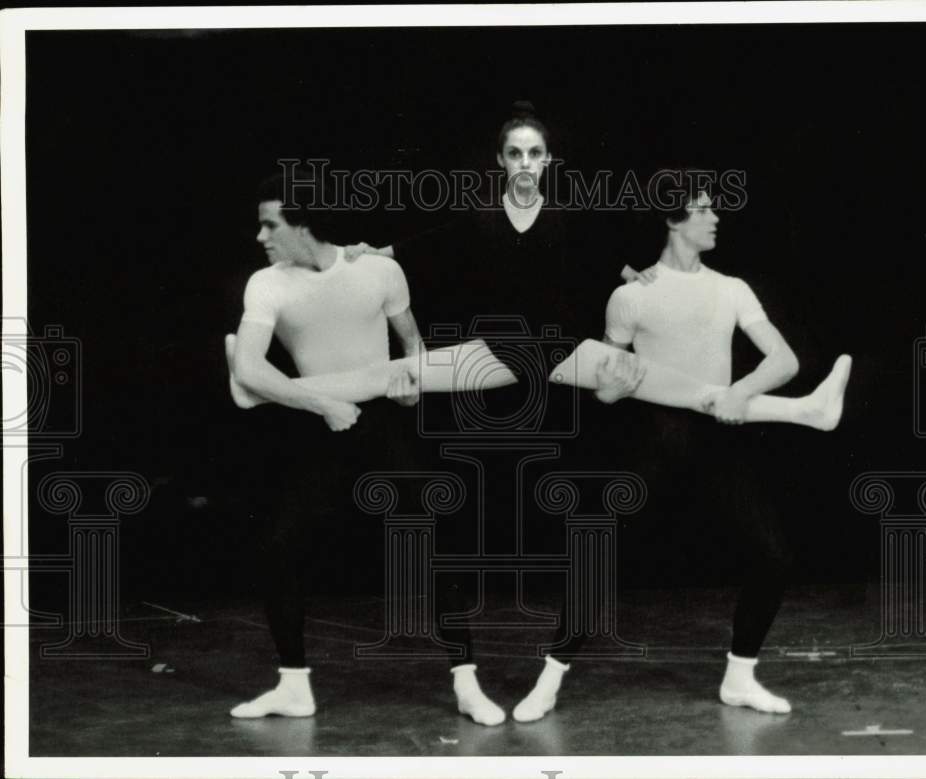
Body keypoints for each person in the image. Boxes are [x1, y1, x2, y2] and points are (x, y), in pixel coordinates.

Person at [348, 102, 617, 726]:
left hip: (551, 380)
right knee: (453, 533)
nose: (525, 163)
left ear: (549, 161)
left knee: (584, 527)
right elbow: (407, 249)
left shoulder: (572, 224)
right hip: (484, 376)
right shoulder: (473, 221)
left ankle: (555, 671)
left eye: (535, 153)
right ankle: (464, 677)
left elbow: (618, 271)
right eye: (515, 153)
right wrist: (367, 250)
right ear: (500, 161)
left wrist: (646, 275)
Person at [595, 176, 818, 714]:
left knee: (773, 555)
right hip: (655, 440)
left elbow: (784, 361)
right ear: (673, 221)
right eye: (702, 210)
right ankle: (551, 676)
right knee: (597, 558)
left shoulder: (732, 287)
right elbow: (603, 387)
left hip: (716, 440)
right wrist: (616, 384)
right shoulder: (632, 293)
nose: (715, 218)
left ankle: (740, 677)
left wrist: (739, 393)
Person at [226, 172, 423, 718]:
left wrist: (410, 391)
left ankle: (466, 679)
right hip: (320, 426)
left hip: (381, 422)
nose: (261, 236)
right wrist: (325, 406)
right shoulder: (267, 284)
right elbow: (247, 369)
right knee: (279, 547)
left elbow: (411, 345)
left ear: (302, 225)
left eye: (271, 224)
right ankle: (293, 685)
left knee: (429, 543)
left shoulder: (379, 270)